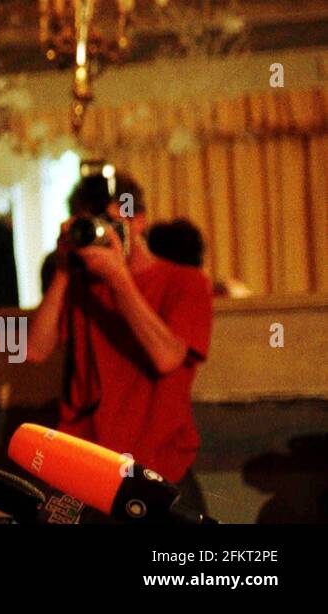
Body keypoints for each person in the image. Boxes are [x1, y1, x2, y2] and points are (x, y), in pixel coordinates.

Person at [28, 169, 213, 516]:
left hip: (159, 471)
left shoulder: (185, 283)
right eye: (90, 226)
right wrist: (64, 270)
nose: (102, 235)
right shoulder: (77, 284)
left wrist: (119, 279)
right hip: (82, 470)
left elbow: (166, 358)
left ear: (138, 221)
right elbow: (35, 350)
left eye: (111, 224)